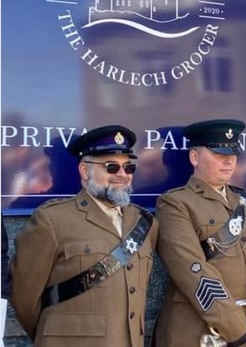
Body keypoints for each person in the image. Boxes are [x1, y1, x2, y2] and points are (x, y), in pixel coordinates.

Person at [10, 125, 158, 347]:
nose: (122, 175)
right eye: (111, 167)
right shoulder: (52, 220)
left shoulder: (144, 223)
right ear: (84, 170)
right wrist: (54, 334)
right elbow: (24, 299)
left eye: (128, 167)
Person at [154, 119, 246, 347]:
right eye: (218, 153)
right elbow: (192, 270)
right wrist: (233, 325)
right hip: (201, 333)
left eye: (232, 154)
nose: (228, 161)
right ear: (194, 157)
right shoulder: (176, 204)